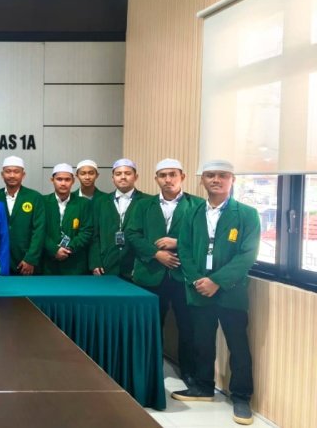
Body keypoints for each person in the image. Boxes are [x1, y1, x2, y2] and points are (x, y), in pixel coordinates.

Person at [171, 160, 260, 426]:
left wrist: (217, 281)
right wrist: (197, 279)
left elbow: (247, 255)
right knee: (202, 341)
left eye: (222, 175)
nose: (216, 180)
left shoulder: (247, 214)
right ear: (202, 180)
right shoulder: (192, 213)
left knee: (238, 345)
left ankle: (241, 397)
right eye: (210, 175)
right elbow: (184, 248)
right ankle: (203, 387)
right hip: (199, 288)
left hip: (231, 291)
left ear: (232, 179)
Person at [126, 158, 203, 388]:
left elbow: (204, 237)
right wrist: (155, 254)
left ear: (182, 177)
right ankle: (152, 368)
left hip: (183, 276)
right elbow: (132, 234)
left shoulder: (197, 205)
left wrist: (178, 242)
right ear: (156, 179)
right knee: (150, 325)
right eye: (162, 175)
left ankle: (188, 372)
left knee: (187, 326)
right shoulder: (143, 205)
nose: (168, 179)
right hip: (150, 274)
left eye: (172, 174)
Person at [89, 158, 147, 280]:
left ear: (136, 177)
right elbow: (94, 235)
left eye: (128, 173)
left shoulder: (147, 201)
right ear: (113, 178)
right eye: (118, 174)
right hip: (107, 264)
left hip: (136, 266)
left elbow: (149, 236)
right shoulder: (100, 202)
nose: (123, 177)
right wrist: (95, 262)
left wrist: (143, 264)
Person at [0, 156, 46, 275]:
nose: (12, 175)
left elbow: (39, 230)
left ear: (23, 175)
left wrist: (30, 258)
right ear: (2, 174)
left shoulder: (35, 197)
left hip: (25, 260)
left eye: (16, 171)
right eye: (8, 171)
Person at [42, 163, 93, 275]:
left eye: (67, 179)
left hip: (75, 264)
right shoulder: (42, 202)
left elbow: (86, 231)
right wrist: (54, 250)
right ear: (52, 180)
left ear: (73, 181)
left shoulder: (83, 203)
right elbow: (39, 231)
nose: (63, 183)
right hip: (48, 264)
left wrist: (69, 248)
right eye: (59, 179)